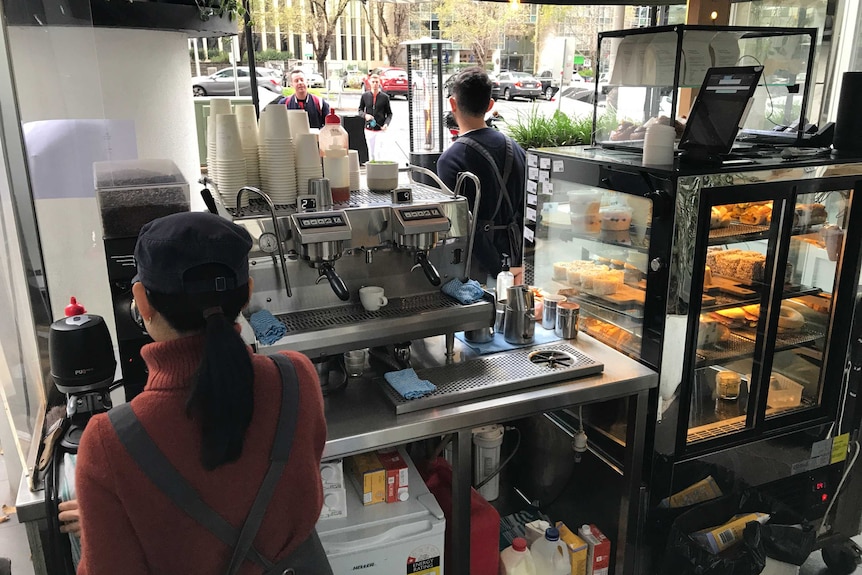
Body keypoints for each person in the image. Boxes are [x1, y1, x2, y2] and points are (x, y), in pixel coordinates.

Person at [74, 212, 328, 574]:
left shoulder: (107, 445)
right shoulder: (297, 378)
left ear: (141, 302)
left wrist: (101, 519)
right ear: (247, 295)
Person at [436, 67, 527, 284]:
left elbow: (464, 226)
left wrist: (499, 271)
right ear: (490, 105)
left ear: (452, 104)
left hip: (479, 273)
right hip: (518, 263)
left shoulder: (450, 160)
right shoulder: (515, 149)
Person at [358, 74, 393, 161]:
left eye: (376, 82)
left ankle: (380, 169)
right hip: (369, 129)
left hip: (380, 129)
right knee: (371, 151)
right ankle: (372, 169)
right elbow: (360, 110)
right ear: (369, 83)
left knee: (379, 151)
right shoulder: (365, 96)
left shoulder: (385, 97)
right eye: (373, 82)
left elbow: (389, 113)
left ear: (379, 83)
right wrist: (365, 115)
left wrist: (386, 124)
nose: (375, 84)